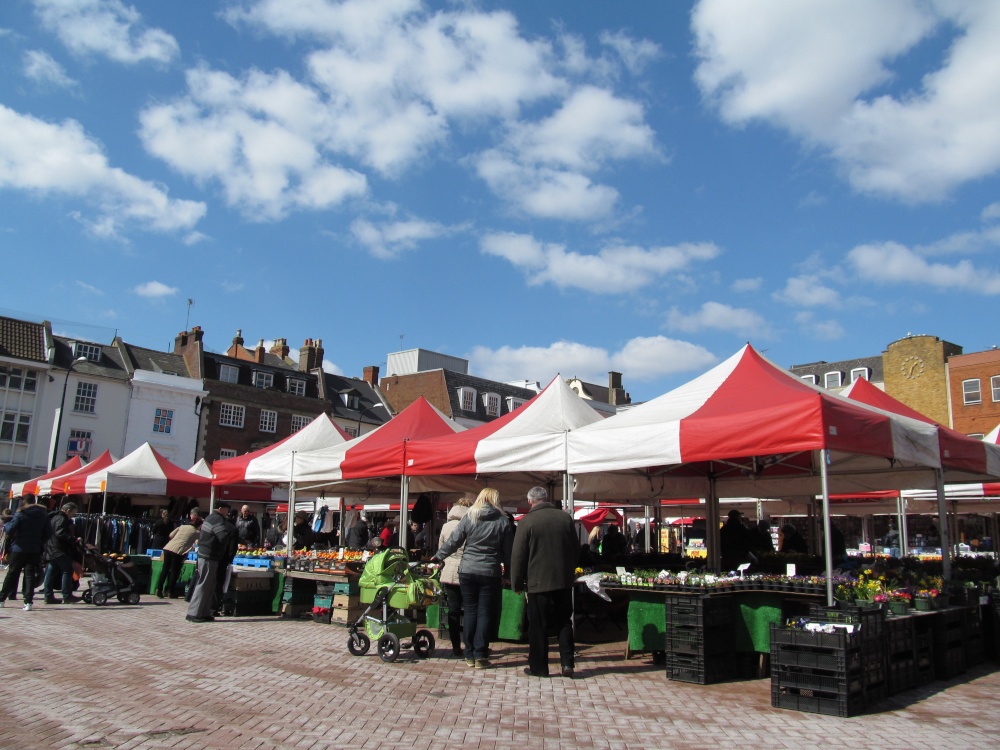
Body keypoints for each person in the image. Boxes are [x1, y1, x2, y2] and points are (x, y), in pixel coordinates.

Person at [432, 488, 513, 669]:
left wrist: (439, 555)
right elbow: (508, 552)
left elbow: (454, 540)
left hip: (467, 570)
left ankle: (469, 654)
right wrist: (508, 573)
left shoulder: (470, 517)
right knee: (485, 613)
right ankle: (481, 655)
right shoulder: (503, 521)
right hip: (489, 571)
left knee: (470, 611)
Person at [510, 486, 579, 678]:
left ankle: (539, 667)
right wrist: (570, 571)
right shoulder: (565, 518)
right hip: (563, 581)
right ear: (546, 498)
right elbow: (575, 549)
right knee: (564, 622)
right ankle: (568, 664)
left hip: (537, 582)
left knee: (538, 626)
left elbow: (518, 556)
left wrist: (516, 582)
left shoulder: (527, 522)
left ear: (531, 501)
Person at [187, 502, 236, 623]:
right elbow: (223, 537)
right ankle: (193, 613)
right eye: (226, 509)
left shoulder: (210, 517)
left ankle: (204, 612)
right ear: (220, 509)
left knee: (210, 585)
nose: (227, 511)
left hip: (208, 555)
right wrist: (232, 532)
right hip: (208, 555)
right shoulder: (216, 519)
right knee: (204, 584)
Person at [0, 496, 52, 611]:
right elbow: (49, 532)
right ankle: (28, 602)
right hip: (34, 549)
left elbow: (10, 529)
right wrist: (39, 542)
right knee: (30, 575)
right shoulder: (43, 514)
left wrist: (7, 524)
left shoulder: (21, 513)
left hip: (19, 548)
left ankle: (1, 599)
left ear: (24, 502)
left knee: (12, 573)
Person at [438, 497, 472, 657]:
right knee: (471, 610)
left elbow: (441, 549)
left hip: (449, 572)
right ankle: (470, 644)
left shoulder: (446, 526)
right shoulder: (471, 524)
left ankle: (455, 645)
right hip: (467, 569)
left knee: (453, 610)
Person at [154, 508, 201, 598]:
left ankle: (159, 589)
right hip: (178, 551)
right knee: (174, 572)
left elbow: (171, 535)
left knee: (165, 569)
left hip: (168, 548)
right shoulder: (197, 532)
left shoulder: (182, 526)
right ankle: (171, 592)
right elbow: (199, 542)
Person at [42, 501, 82, 605]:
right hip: (59, 549)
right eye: (73, 514)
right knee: (67, 571)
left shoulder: (54, 517)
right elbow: (60, 533)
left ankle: (48, 595)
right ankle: (67, 595)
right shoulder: (62, 518)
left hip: (51, 549)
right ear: (68, 511)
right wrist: (72, 539)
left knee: (51, 572)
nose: (72, 516)